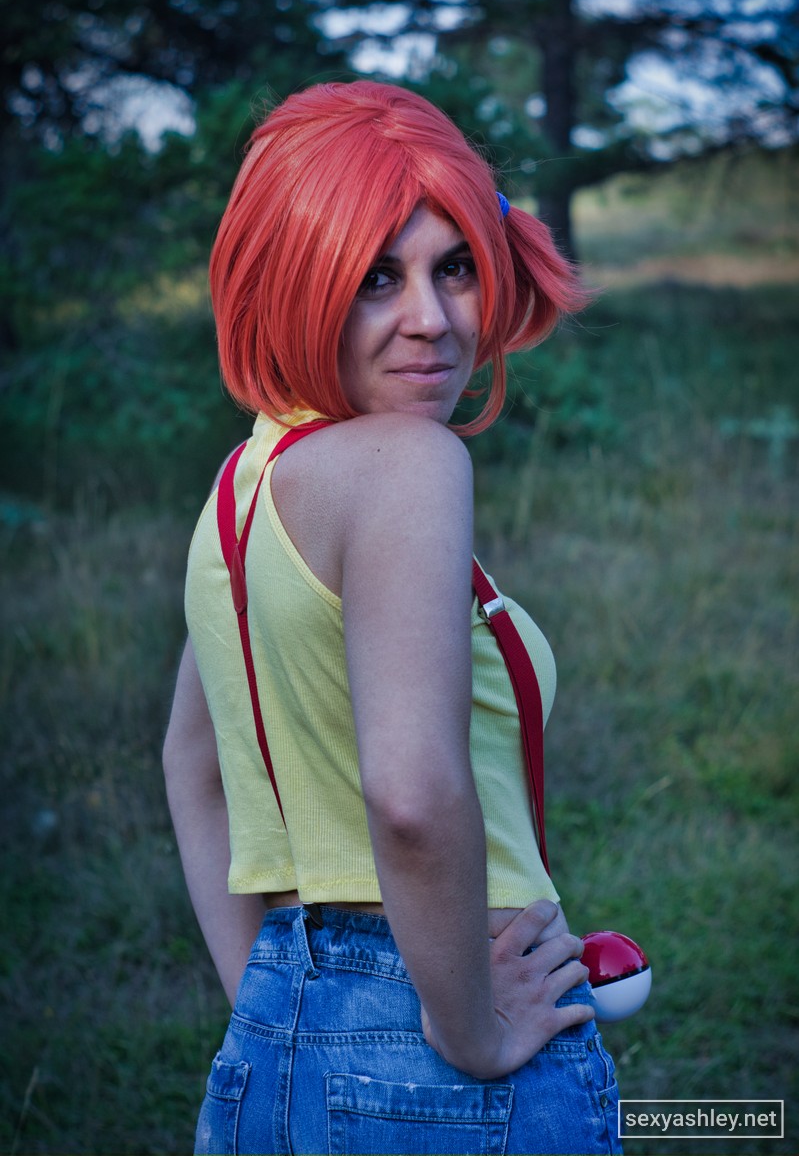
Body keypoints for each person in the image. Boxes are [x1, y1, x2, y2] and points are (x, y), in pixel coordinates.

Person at [163, 79, 622, 1155]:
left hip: (274, 1044)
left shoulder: (244, 487)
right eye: (377, 277)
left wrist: (274, 1008)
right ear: (297, 278)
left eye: (454, 266)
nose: (433, 318)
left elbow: (193, 765)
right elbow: (410, 795)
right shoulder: (410, 463)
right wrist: (469, 1032)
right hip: (447, 1025)